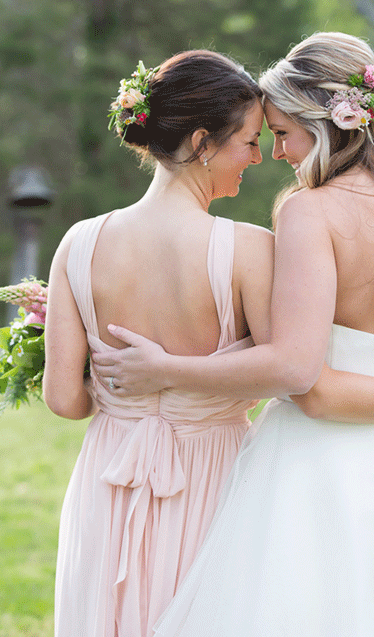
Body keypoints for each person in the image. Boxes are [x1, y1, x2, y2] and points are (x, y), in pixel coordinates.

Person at [92, 32, 374, 636]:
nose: (275, 152)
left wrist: (168, 369)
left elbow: (307, 383)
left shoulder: (309, 211)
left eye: (281, 133)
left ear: (324, 126)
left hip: (309, 472)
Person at [43, 50, 273, 636]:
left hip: (109, 474)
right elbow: (285, 373)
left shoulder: (79, 242)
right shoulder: (249, 250)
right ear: (202, 142)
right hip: (213, 471)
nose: (258, 156)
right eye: (247, 141)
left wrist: (125, 394)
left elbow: (64, 401)